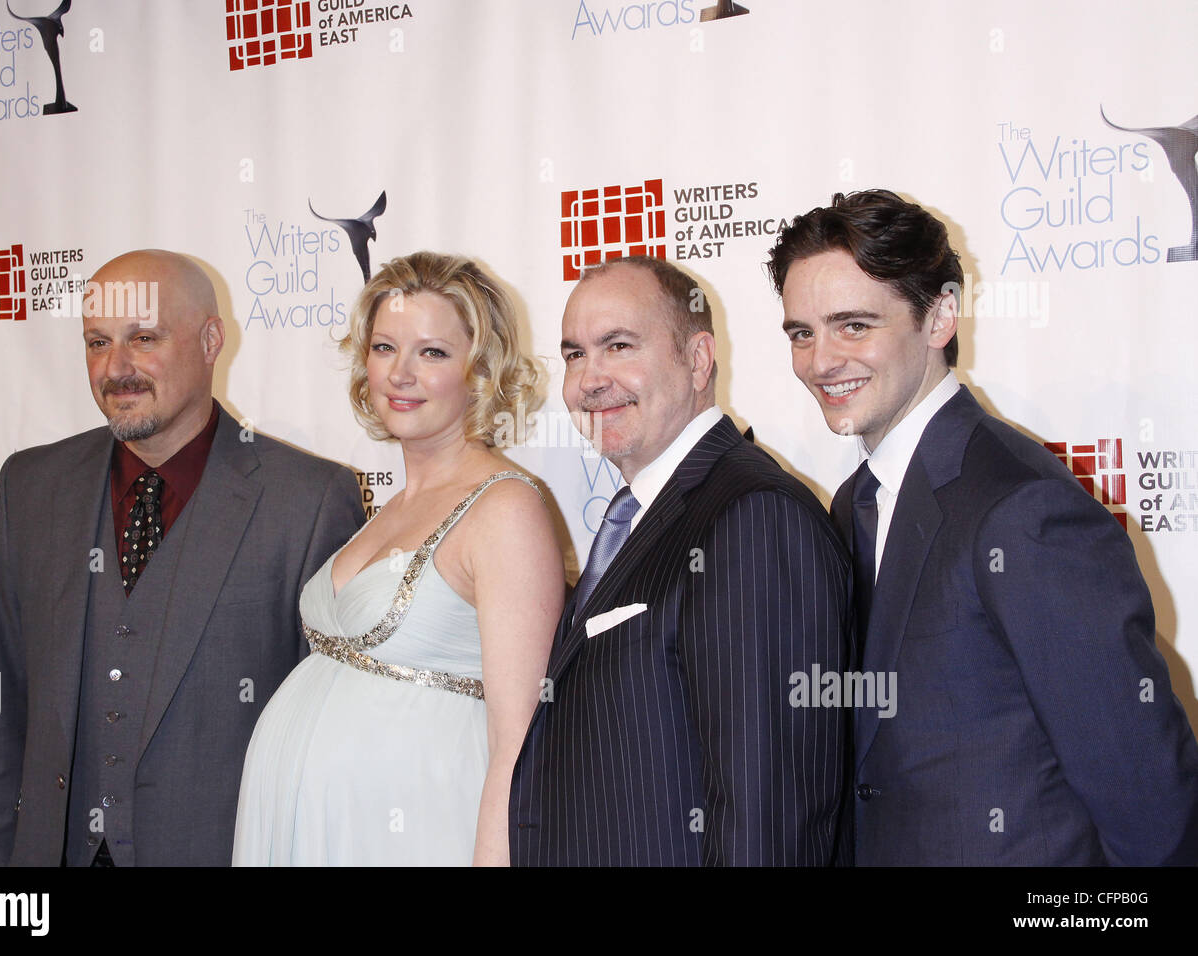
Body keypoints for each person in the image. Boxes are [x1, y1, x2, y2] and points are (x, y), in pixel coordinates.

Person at [769, 189, 1198, 865]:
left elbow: (1145, 792)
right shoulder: (854, 503)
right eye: (802, 332)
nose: (821, 361)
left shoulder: (1022, 509)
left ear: (940, 316)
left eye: (854, 326)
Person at [0, 249, 364, 866]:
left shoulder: (308, 501)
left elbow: (329, 745)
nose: (115, 368)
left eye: (143, 338)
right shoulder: (30, 487)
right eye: (97, 343)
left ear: (210, 340)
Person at [508, 256, 852, 866]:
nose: (589, 379)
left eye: (618, 346)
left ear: (698, 360)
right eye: (574, 354)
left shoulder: (752, 517)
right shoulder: (640, 514)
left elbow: (767, 817)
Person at [232, 251, 563, 866]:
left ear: (481, 369)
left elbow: (519, 742)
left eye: (432, 352)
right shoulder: (388, 506)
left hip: (420, 831)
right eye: (385, 347)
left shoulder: (506, 510)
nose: (400, 374)